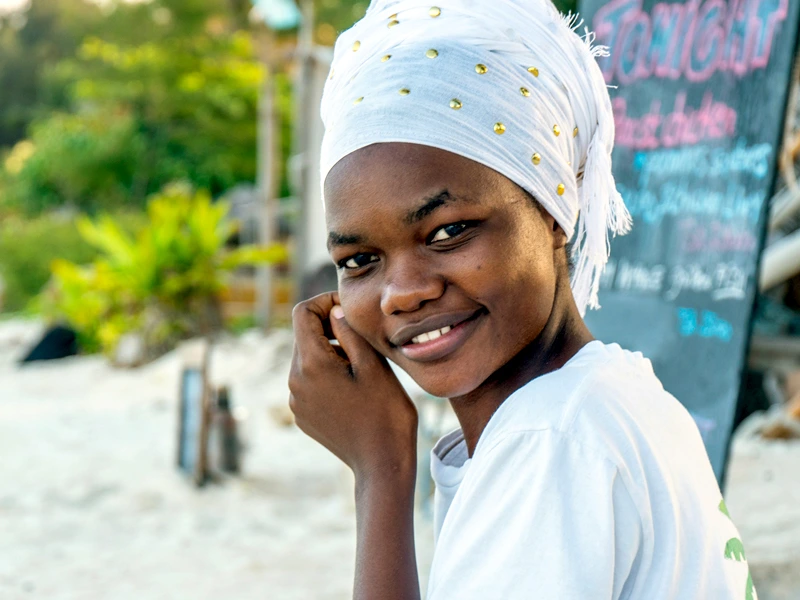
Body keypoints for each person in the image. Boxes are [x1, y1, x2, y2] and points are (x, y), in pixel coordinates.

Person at [288, 0, 757, 598]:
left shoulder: (549, 444)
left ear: (553, 210)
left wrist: (380, 469)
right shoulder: (612, 396)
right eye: (359, 261)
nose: (403, 292)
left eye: (448, 232)